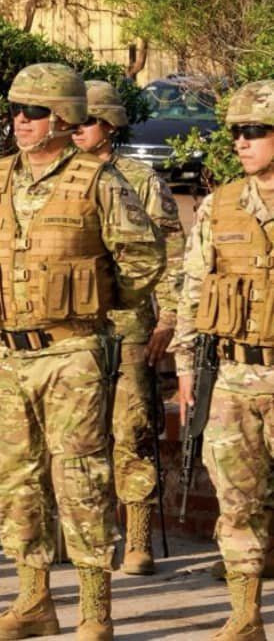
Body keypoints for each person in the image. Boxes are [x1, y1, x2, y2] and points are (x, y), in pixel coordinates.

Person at [0, 63, 164, 641]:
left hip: (73, 351)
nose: (21, 121)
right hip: (8, 354)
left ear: (64, 117)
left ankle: (95, 608)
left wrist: (94, 305)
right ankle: (33, 599)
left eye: (35, 112)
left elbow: (144, 260)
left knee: (80, 475)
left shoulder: (100, 181)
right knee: (18, 478)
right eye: (16, 110)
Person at [71, 79, 185, 575]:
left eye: (88, 122)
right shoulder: (60, 178)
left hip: (129, 327)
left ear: (111, 126)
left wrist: (172, 317)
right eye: (72, 122)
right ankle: (86, 537)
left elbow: (173, 255)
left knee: (132, 430)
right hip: (74, 328)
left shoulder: (140, 179)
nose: (78, 131)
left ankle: (137, 537)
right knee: (76, 437)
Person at [174, 80, 274, 641]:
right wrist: (187, 368)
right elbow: (193, 288)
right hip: (234, 374)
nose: (241, 141)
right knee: (236, 502)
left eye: (255, 131)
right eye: (236, 132)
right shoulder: (219, 204)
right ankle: (246, 616)